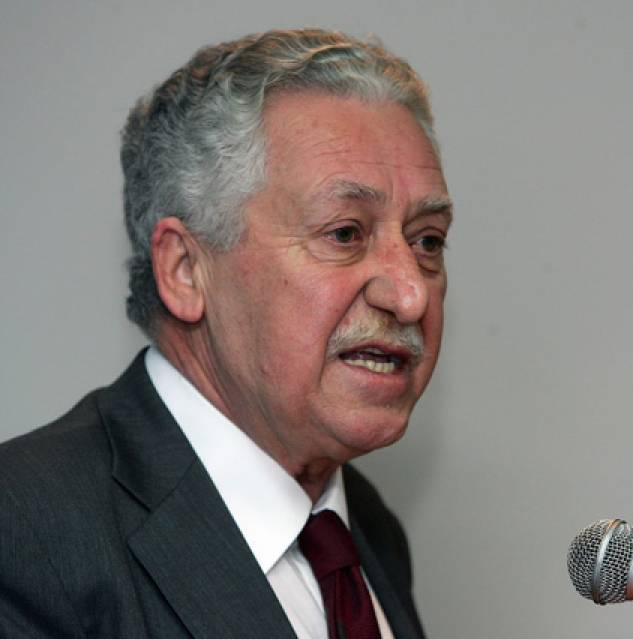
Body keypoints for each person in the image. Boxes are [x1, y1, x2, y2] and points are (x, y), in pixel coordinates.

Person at [0, 28, 452, 639]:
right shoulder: (24, 532)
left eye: (428, 241)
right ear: (186, 270)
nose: (410, 294)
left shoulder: (363, 527)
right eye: (345, 233)